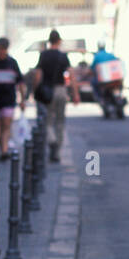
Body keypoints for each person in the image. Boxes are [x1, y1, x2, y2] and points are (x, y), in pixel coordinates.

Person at [29, 29, 80, 163]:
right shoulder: (63, 56)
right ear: (59, 41)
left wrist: (35, 91)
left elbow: (38, 75)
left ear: (49, 41)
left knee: (48, 120)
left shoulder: (43, 55)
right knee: (60, 121)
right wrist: (75, 94)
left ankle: (51, 140)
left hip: (48, 91)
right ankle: (57, 150)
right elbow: (71, 75)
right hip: (61, 90)